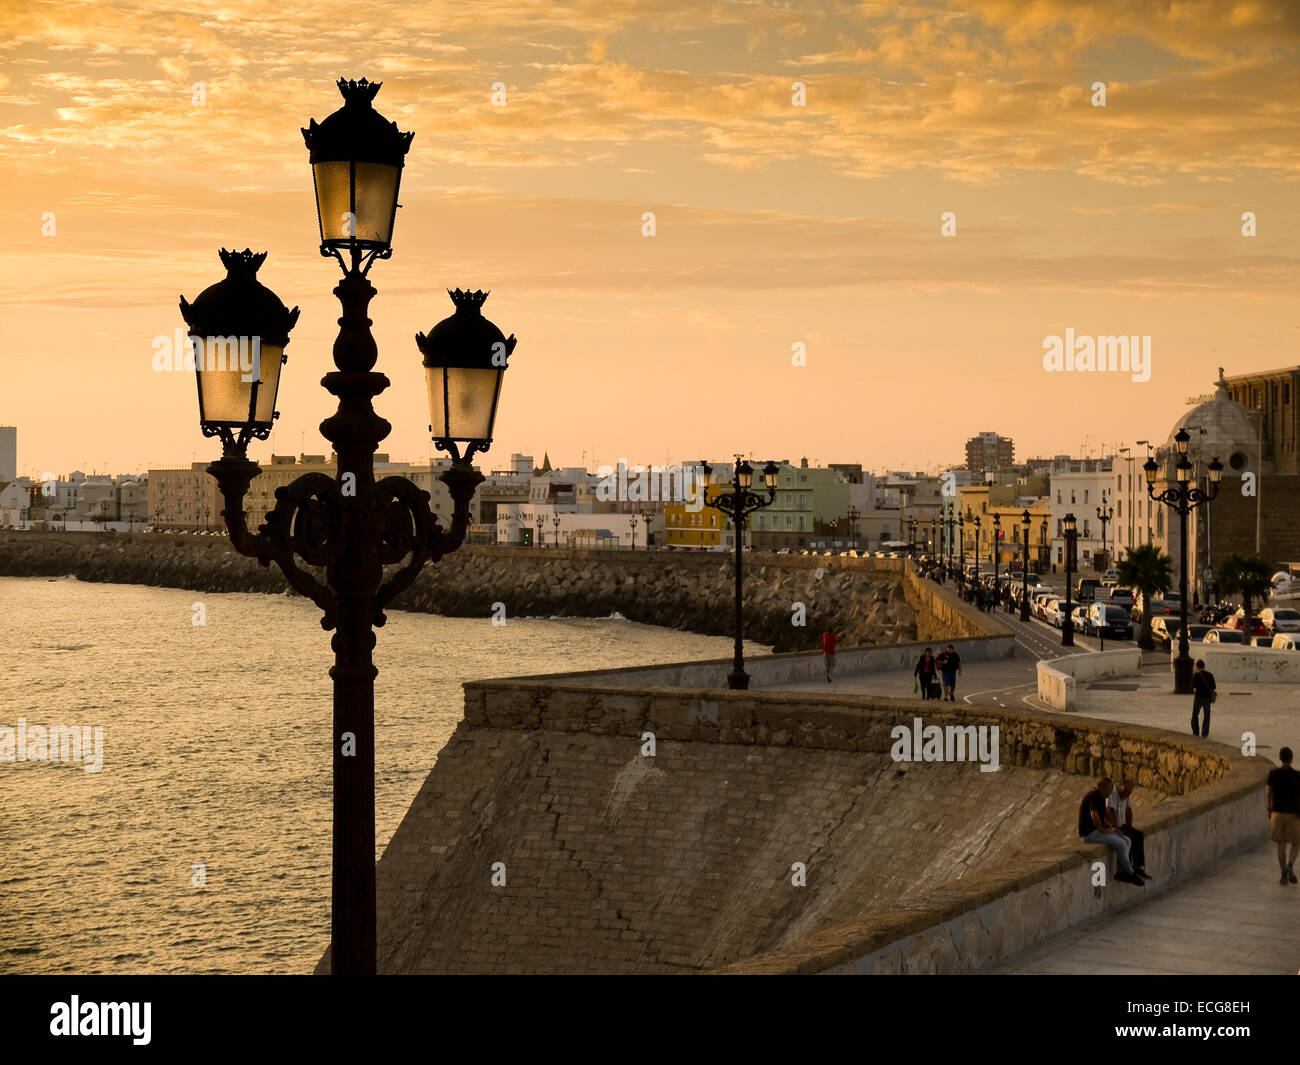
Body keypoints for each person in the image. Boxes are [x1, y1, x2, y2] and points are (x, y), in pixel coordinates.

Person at [1079, 777, 1144, 886]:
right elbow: (1094, 815)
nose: (1111, 792)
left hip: (1098, 831)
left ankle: (1120, 871)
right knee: (1121, 844)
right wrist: (1102, 829)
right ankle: (1130, 873)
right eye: (1110, 789)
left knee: (1127, 840)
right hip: (1090, 834)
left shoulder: (1100, 797)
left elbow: (1104, 817)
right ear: (1103, 789)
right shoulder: (1094, 796)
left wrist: (1112, 828)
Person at [1266, 746, 1300, 886]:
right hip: (1293, 814)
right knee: (1296, 842)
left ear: (1280, 758)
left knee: (1281, 844)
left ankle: (1283, 873)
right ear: (1291, 759)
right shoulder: (1298, 776)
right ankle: (1290, 865)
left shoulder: (1273, 773)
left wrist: (1269, 808)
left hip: (1277, 813)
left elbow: (1269, 793)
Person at [1106, 778, 1150, 880]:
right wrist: (1115, 829)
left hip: (1120, 825)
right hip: (1111, 826)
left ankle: (1138, 866)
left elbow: (1128, 811)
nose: (1127, 795)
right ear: (1121, 788)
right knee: (1128, 838)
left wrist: (1129, 827)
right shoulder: (1112, 794)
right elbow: (1109, 812)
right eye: (1126, 792)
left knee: (1138, 835)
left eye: (1129, 793)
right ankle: (1127, 868)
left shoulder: (1126, 795)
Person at [1191, 659, 1216, 737]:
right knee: (1206, 716)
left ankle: (1196, 732)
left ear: (1197, 666)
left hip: (1198, 697)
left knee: (1195, 714)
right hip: (1207, 698)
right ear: (1204, 666)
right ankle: (1204, 733)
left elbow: (1192, 686)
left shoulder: (1196, 675)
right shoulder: (1210, 675)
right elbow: (1213, 687)